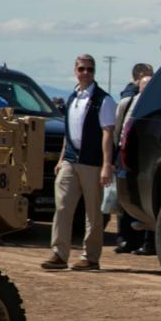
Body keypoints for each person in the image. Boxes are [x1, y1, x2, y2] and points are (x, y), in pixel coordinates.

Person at [41, 54, 117, 271]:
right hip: (70, 161)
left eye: (90, 69)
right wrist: (62, 157)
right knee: (62, 207)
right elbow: (68, 130)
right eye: (82, 69)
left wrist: (106, 164)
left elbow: (107, 133)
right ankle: (58, 253)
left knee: (93, 212)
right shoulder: (72, 97)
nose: (86, 73)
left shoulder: (103, 100)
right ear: (75, 70)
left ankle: (91, 257)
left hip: (92, 162)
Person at [114, 63, 154, 255]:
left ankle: (147, 242)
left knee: (145, 200)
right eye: (145, 86)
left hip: (146, 160)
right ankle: (126, 239)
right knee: (125, 200)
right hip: (125, 158)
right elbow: (118, 130)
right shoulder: (127, 103)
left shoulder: (155, 107)